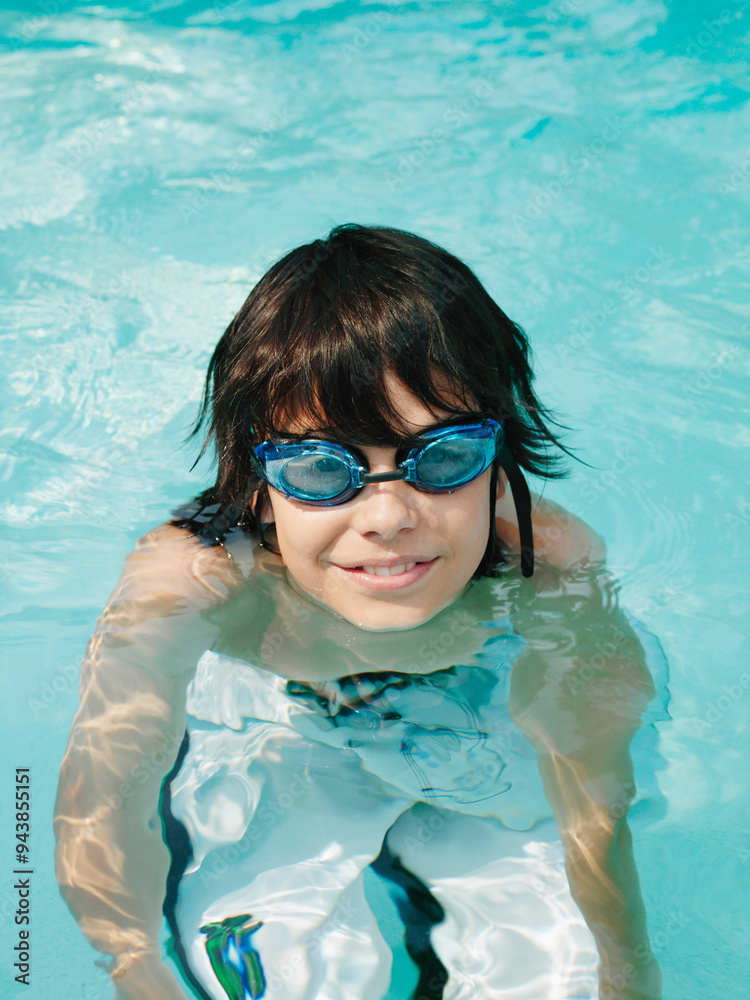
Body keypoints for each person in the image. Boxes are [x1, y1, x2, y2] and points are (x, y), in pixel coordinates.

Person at [54, 224, 664, 1000]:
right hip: (279, 723)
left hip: (482, 702)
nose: (385, 517)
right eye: (320, 468)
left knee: (560, 967)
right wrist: (133, 967)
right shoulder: (198, 581)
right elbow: (103, 797)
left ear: (498, 452)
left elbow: (596, 801)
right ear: (256, 475)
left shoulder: (545, 562)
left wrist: (629, 972)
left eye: (442, 456)